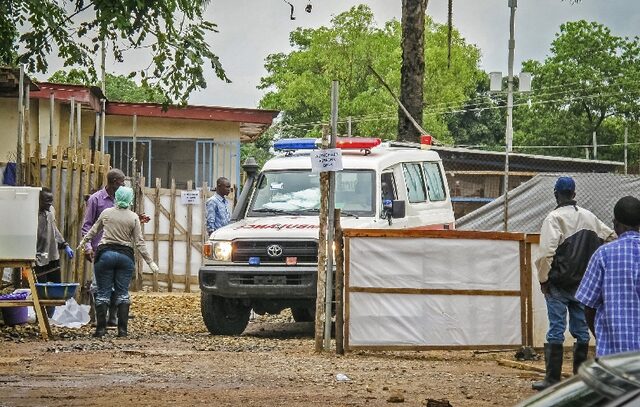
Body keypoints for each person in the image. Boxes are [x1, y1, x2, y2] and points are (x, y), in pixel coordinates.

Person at [532, 176, 616, 391]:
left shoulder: (554, 218)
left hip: (558, 284)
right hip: (582, 284)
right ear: (575, 194)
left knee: (556, 329)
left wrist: (544, 280)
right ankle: (580, 380)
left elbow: (546, 255)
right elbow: (611, 236)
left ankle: (552, 380)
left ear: (556, 194)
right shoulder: (589, 217)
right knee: (581, 331)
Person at [78, 187, 159, 338]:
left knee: (102, 293)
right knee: (122, 293)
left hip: (105, 255)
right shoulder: (134, 217)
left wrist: (83, 243)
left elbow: (93, 230)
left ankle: (100, 329)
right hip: (125, 257)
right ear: (130, 199)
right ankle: (122, 330)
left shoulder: (106, 213)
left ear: (116, 197)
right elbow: (139, 242)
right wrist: (150, 262)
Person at [576, 196, 640, 357]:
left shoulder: (603, 255)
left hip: (612, 356)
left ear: (615, 223)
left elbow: (589, 306)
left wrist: (602, 337)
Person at [82, 168, 126, 326]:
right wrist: (87, 247)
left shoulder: (121, 199)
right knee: (98, 284)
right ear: (114, 182)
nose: (124, 184)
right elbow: (86, 226)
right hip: (100, 249)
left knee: (116, 284)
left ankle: (112, 318)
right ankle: (98, 317)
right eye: (122, 181)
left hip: (119, 247)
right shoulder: (95, 200)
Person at [36, 187, 74, 317]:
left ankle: (51, 316)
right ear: (39, 200)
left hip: (52, 255)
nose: (50, 203)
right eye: (47, 201)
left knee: (55, 288)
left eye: (51, 200)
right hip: (38, 258)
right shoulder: (32, 213)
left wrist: (64, 244)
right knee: (40, 289)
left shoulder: (51, 211)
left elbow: (54, 229)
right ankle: (41, 317)